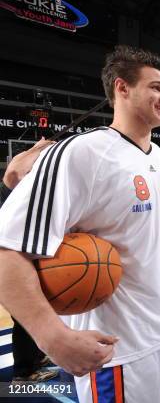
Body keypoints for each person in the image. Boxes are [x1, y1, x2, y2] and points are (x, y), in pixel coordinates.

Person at [0, 46, 160, 402]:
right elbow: (6, 251)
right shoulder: (81, 153)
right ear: (122, 89)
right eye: (155, 88)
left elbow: (142, 225)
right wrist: (52, 336)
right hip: (120, 344)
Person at [1, 138, 59, 383]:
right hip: (11, 261)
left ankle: (34, 357)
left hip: (21, 255)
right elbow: (15, 168)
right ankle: (25, 375)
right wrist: (39, 148)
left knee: (33, 311)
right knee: (25, 316)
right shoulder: (10, 186)